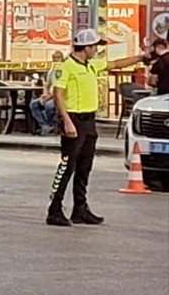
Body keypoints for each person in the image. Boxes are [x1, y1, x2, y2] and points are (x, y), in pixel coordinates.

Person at [47, 28, 151, 227]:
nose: (97, 50)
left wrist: (140, 58)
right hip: (74, 120)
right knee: (67, 166)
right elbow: (58, 94)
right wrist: (66, 120)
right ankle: (55, 208)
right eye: (95, 46)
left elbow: (115, 64)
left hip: (89, 121)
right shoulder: (66, 66)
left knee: (85, 167)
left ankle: (80, 208)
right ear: (86, 47)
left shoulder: (90, 65)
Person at [29, 51, 65, 135]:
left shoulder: (62, 70)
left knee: (49, 106)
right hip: (50, 95)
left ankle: (51, 125)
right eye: (54, 58)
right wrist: (45, 95)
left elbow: (59, 89)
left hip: (59, 97)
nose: (56, 60)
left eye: (58, 58)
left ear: (62, 59)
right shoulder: (51, 70)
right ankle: (45, 126)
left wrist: (49, 98)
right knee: (34, 104)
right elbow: (47, 85)